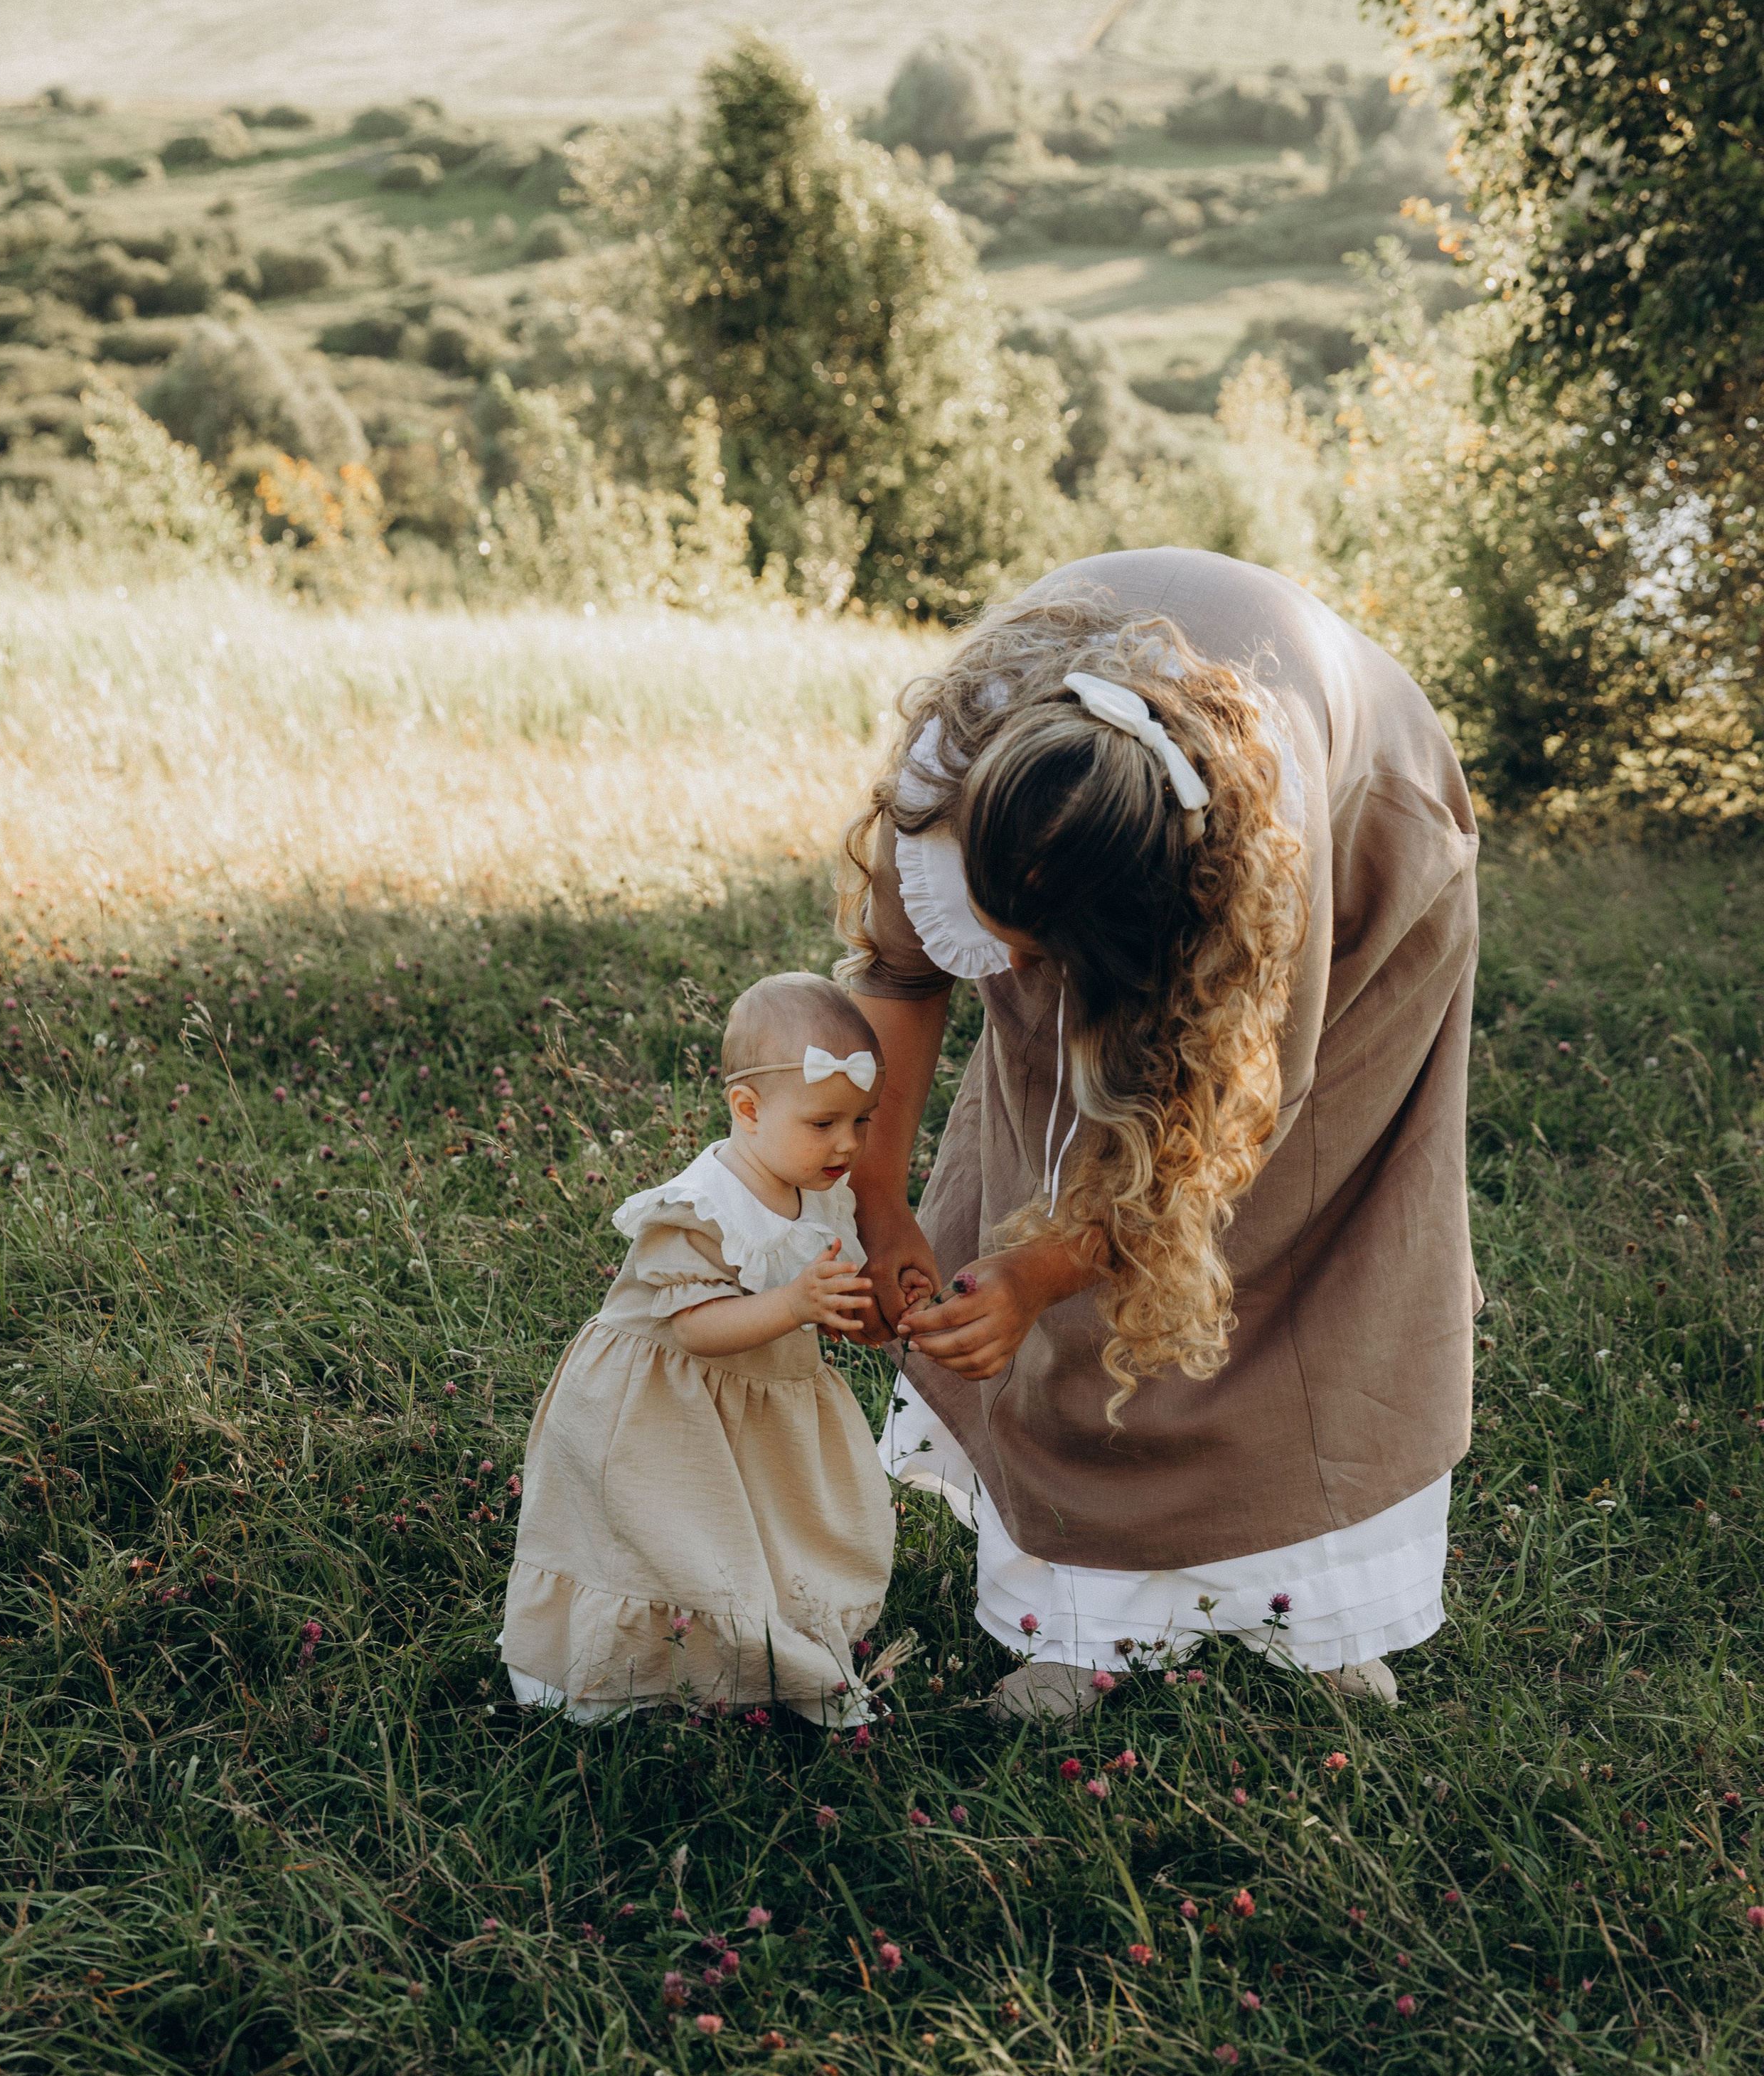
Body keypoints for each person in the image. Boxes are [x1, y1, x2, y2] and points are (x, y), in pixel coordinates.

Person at [840, 548, 1479, 1721]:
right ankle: (1079, 1618)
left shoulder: (1251, 879)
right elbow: (898, 970)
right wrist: (880, 1199)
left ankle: (1316, 1608)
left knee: (1293, 1212)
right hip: (1097, 835)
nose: (1020, 977)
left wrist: (1038, 1275)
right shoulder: (952, 773)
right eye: (1009, 939)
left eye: (1045, 955)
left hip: (1360, 837)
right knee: (1049, 1127)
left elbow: (1213, 1135)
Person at [499, 971, 895, 1725]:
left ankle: (770, 1655)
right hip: (661, 1411)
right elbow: (697, 1328)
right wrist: (792, 1303)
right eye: (824, 1123)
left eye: (863, 1121)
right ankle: (598, 1675)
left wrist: (850, 1309)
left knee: (769, 1534)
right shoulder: (697, 1207)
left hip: (760, 1408)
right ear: (746, 1109)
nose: (847, 1142)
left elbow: (812, 1289)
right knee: (662, 1545)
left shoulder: (820, 1189)